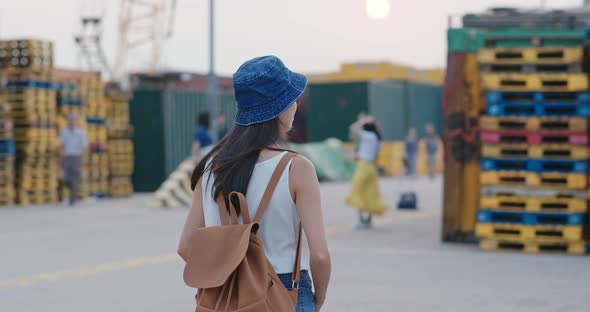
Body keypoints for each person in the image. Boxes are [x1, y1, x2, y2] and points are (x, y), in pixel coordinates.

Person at [178, 56, 331, 312]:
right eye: (292, 98)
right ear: (280, 108)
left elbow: (185, 247)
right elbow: (320, 255)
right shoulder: (296, 168)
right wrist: (319, 299)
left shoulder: (210, 167)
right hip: (285, 290)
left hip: (222, 293)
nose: (296, 104)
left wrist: (228, 273)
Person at [347, 117, 388, 229]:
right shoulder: (377, 138)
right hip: (371, 167)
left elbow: (352, 128)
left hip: (363, 166)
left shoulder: (368, 136)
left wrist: (360, 121)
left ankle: (361, 221)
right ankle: (369, 220)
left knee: (358, 192)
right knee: (370, 193)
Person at [59, 113, 88, 205]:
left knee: (75, 177)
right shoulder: (64, 131)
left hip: (77, 156)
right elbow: (61, 145)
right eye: (70, 120)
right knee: (65, 178)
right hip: (66, 156)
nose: (71, 122)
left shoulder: (80, 132)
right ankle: (72, 187)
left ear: (76, 121)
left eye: (73, 120)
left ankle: (73, 199)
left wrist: (84, 158)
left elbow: (84, 146)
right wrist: (60, 157)